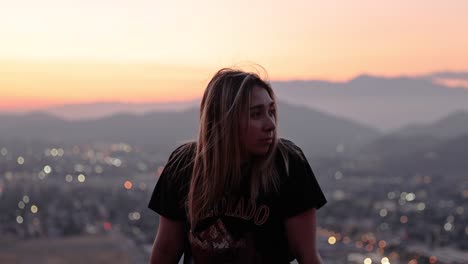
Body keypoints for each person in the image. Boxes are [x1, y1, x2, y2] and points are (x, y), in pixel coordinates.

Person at [148, 67, 327, 264]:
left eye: (271, 111)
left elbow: (307, 256)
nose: (271, 124)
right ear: (225, 120)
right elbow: (165, 252)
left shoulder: (287, 164)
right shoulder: (184, 165)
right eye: (256, 114)